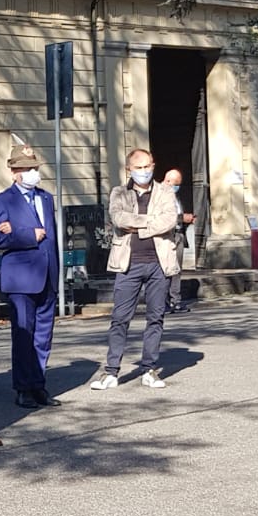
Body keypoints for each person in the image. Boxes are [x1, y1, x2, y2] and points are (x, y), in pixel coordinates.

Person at [93, 149, 181, 391]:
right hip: (128, 263)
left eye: (147, 166)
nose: (143, 171)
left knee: (156, 317)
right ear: (128, 169)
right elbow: (119, 218)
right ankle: (111, 371)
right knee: (120, 318)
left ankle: (149, 369)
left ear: (153, 165)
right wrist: (150, 222)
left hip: (158, 263)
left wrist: (138, 226)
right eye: (138, 167)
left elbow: (169, 221)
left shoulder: (164, 191)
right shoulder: (119, 192)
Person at [0, 142, 61, 410]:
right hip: (21, 277)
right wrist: (26, 234)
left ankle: (38, 383)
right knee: (23, 334)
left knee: (43, 335)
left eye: (35, 168)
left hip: (47, 275)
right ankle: (23, 388)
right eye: (27, 169)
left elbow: (51, 236)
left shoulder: (45, 197)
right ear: (15, 172)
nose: (33, 173)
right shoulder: (3, 200)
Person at [161, 167, 196, 314]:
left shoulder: (174, 195)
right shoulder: (159, 194)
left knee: (176, 270)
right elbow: (162, 216)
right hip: (167, 236)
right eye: (175, 183)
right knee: (166, 269)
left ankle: (175, 301)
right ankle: (164, 302)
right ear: (167, 181)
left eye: (179, 184)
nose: (177, 187)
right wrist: (182, 218)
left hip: (178, 234)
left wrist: (185, 219)